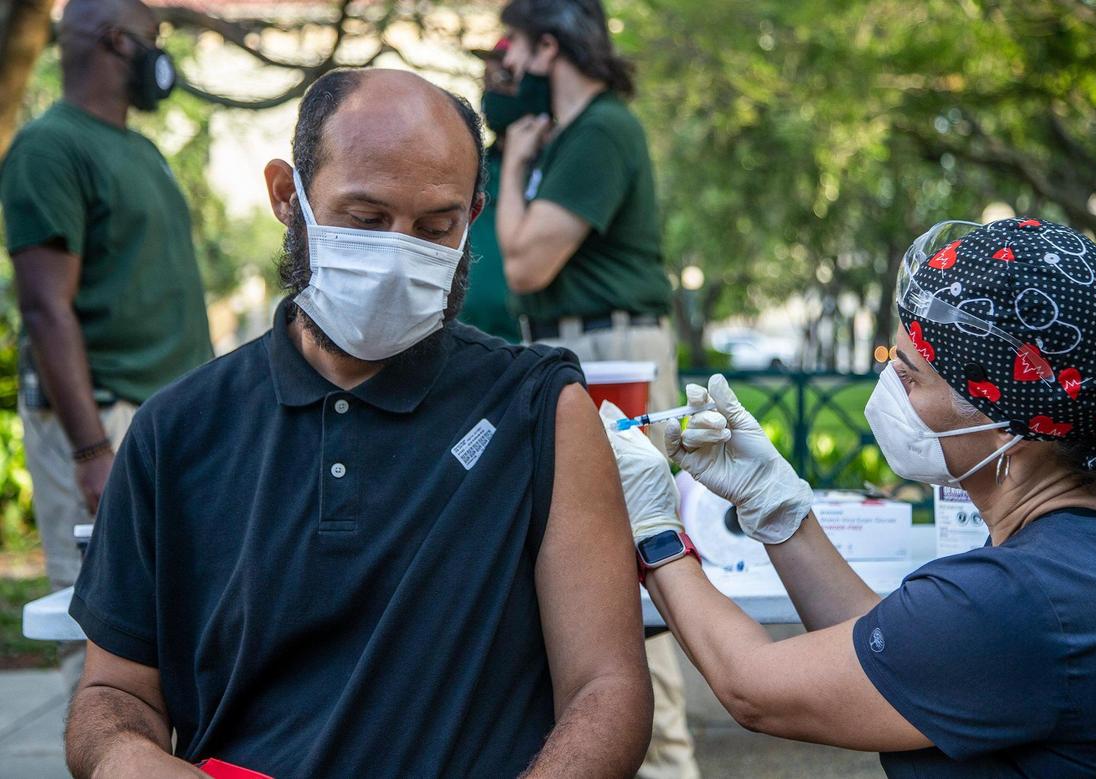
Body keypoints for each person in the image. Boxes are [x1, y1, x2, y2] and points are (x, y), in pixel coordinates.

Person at [63, 68, 652, 778]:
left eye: (437, 227)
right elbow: (116, 689)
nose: (399, 256)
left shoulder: (539, 409)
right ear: (288, 196)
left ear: (474, 214)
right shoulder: (175, 432)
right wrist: (124, 755)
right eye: (365, 219)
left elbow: (607, 687)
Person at [607, 218, 1096, 777]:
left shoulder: (1018, 600)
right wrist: (777, 507)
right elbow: (899, 647)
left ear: (1006, 421)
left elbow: (753, 688)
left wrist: (655, 531)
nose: (889, 388)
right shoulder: (1084, 550)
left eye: (910, 377)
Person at [496, 4, 696, 776]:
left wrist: (512, 165)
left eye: (515, 43)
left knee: (637, 561)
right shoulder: (568, 136)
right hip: (567, 343)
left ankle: (668, 762)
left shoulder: (603, 129)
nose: (506, 62)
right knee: (578, 565)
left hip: (609, 347)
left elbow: (523, 266)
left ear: (550, 44)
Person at [0, 0, 212, 686]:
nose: (162, 56)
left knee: (177, 614)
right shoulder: (50, 147)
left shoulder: (140, 149)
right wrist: (92, 452)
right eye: (155, 39)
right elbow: (43, 305)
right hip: (103, 419)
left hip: (167, 419)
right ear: (118, 41)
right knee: (97, 625)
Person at [459, 38, 522, 342]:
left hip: (535, 343)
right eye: (487, 82)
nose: (492, 93)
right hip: (470, 341)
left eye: (505, 80)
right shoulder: (473, 166)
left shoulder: (560, 167)